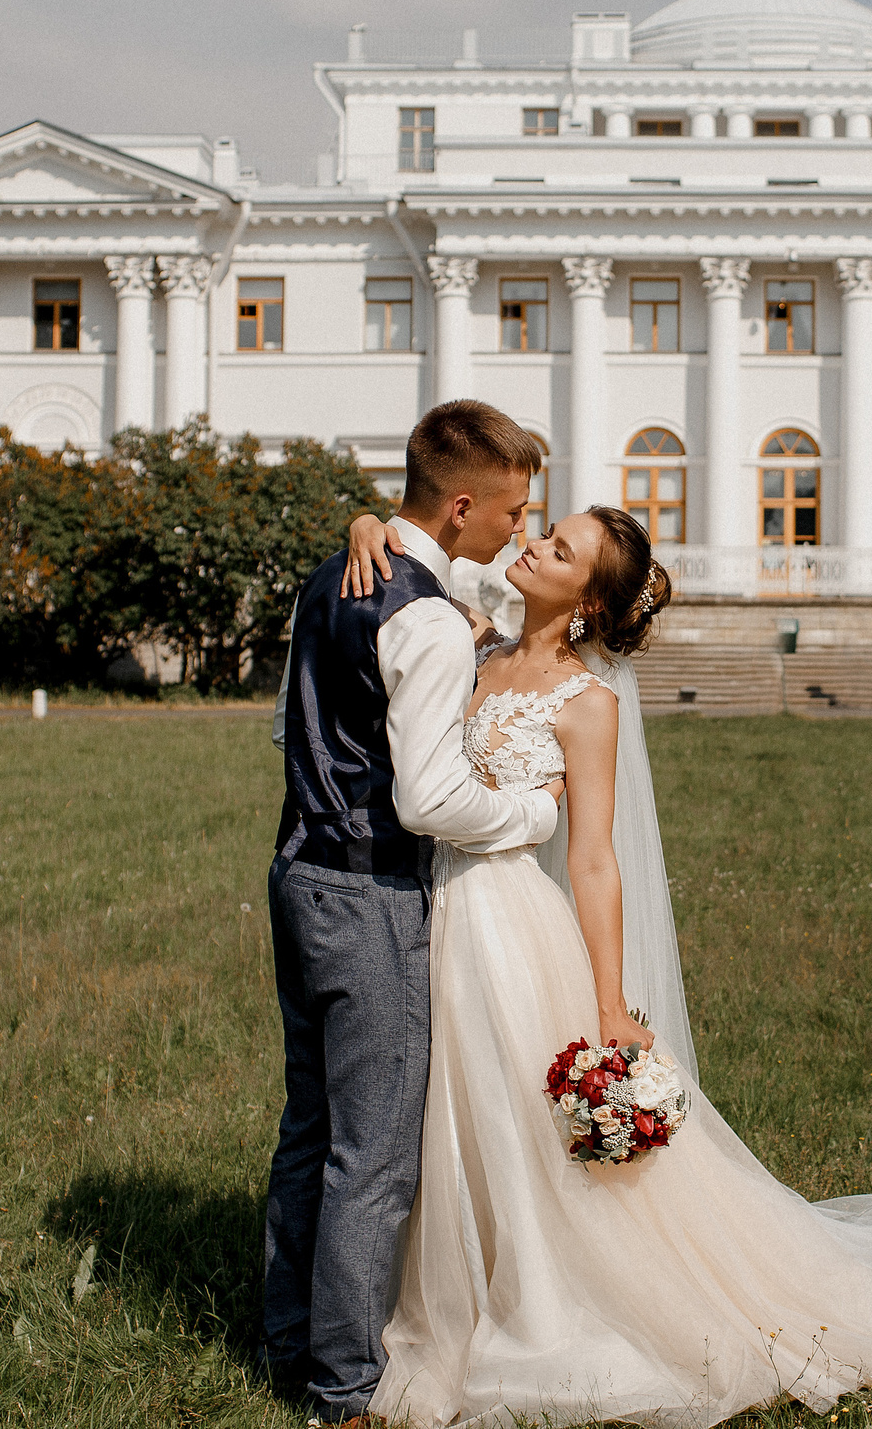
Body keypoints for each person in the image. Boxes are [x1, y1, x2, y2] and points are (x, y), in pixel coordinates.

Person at [336, 505, 872, 1429]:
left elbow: (595, 860)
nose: (534, 542)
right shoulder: (474, 644)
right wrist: (368, 522)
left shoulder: (587, 703)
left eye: (560, 548)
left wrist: (609, 1003)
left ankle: (531, 1301)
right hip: (427, 910)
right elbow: (412, 557)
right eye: (544, 530)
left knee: (508, 1119)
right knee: (445, 1112)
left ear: (587, 602)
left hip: (508, 926)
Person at [262, 400, 564, 1425]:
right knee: (375, 1152)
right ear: (463, 506)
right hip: (370, 892)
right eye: (512, 512)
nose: (519, 531)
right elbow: (429, 798)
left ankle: (288, 1339)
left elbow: (288, 728)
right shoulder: (426, 620)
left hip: (296, 871)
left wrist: (367, 525)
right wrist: (529, 814)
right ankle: (343, 1388)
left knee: (309, 1126)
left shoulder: (331, 580)